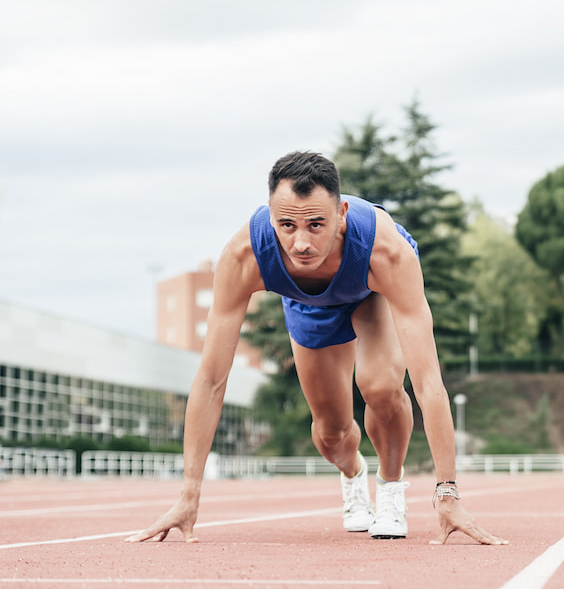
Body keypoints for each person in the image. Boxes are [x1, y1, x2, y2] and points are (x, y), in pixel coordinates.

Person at [127, 151, 505, 546]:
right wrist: (189, 496)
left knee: (380, 387)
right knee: (331, 434)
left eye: (316, 224)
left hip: (371, 292)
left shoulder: (386, 253)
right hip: (308, 305)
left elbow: (429, 382)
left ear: (341, 213)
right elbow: (211, 380)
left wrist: (448, 493)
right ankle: (353, 472)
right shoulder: (245, 256)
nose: (301, 242)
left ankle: (390, 490)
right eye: (287, 225)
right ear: (271, 215)